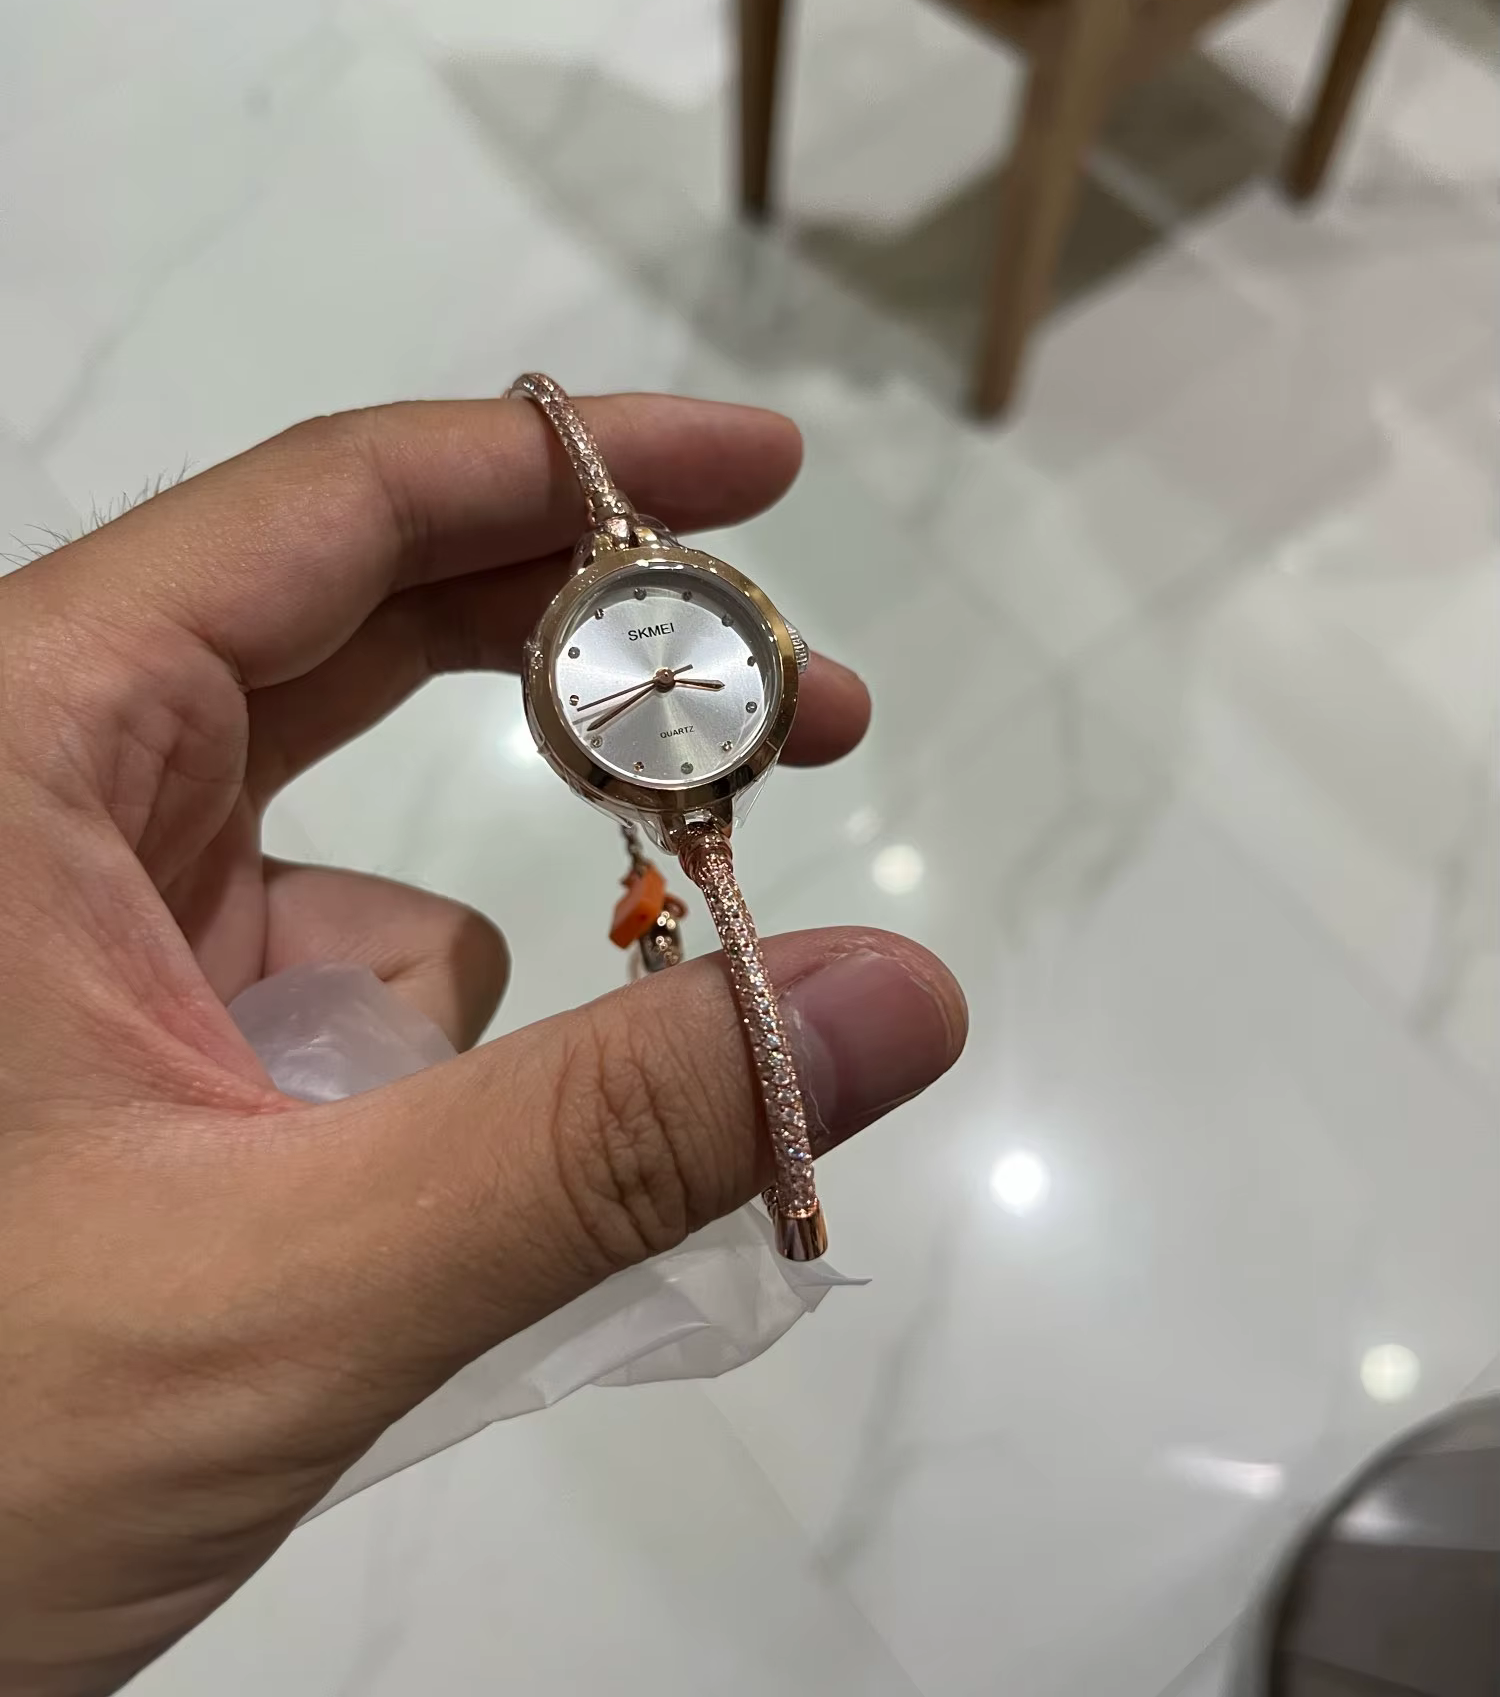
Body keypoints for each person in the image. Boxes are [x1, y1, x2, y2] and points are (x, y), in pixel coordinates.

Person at [0, 393, 966, 1696]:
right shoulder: (622, 693)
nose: (667, 680)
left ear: (753, 654)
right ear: (569, 708)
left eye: (684, 670)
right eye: (642, 676)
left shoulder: (692, 663)